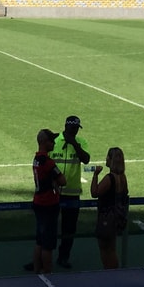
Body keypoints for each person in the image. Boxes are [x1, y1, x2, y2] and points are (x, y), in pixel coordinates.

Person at [49, 115, 90, 269]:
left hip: (72, 193)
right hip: (54, 192)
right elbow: (47, 163)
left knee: (69, 228)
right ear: (66, 127)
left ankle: (63, 256)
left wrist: (74, 144)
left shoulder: (81, 142)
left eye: (76, 129)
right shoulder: (54, 141)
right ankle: (44, 255)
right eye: (72, 129)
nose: (74, 132)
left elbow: (86, 159)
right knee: (49, 226)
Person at [31, 128, 66, 274]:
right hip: (48, 204)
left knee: (39, 240)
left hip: (38, 201)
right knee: (48, 244)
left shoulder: (36, 159)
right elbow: (63, 180)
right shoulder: (48, 162)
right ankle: (47, 272)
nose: (54, 143)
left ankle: (37, 270)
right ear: (45, 142)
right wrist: (55, 182)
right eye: (51, 140)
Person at [90, 146, 128, 269]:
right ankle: (114, 273)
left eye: (107, 156)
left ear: (111, 159)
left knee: (105, 249)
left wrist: (95, 175)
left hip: (107, 217)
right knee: (112, 248)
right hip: (118, 215)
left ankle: (110, 274)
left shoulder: (109, 178)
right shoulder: (122, 177)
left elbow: (94, 193)